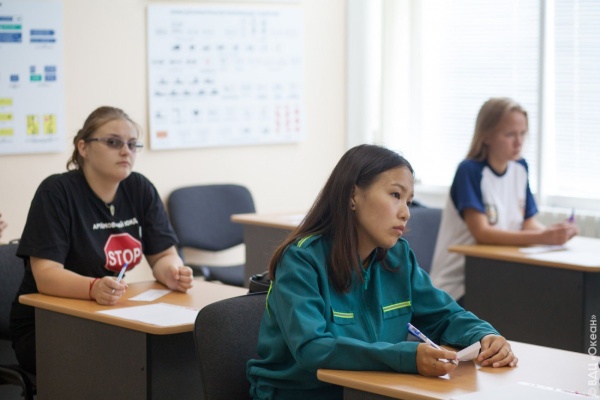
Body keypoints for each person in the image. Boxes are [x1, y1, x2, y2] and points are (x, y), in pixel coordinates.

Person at [246, 144, 517, 400]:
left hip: (373, 391)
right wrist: (405, 357)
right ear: (352, 195)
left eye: (409, 201)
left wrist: (484, 336)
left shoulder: (399, 257)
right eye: (396, 195)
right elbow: (312, 348)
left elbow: (445, 315)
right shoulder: (301, 260)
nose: (406, 213)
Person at [10, 106, 193, 374]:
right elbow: (46, 275)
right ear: (83, 147)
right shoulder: (56, 192)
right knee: (134, 364)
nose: (126, 152)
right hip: (47, 323)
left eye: (132, 144)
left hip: (108, 313)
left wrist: (173, 273)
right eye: (113, 142)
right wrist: (93, 288)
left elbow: (163, 255)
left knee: (175, 353)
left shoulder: (139, 188)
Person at [429, 97, 579, 304]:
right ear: (486, 136)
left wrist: (557, 233)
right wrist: (544, 236)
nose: (519, 142)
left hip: (500, 273)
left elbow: (527, 223)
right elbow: (483, 233)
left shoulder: (520, 167)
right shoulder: (469, 171)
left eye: (522, 133)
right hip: (460, 282)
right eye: (510, 134)